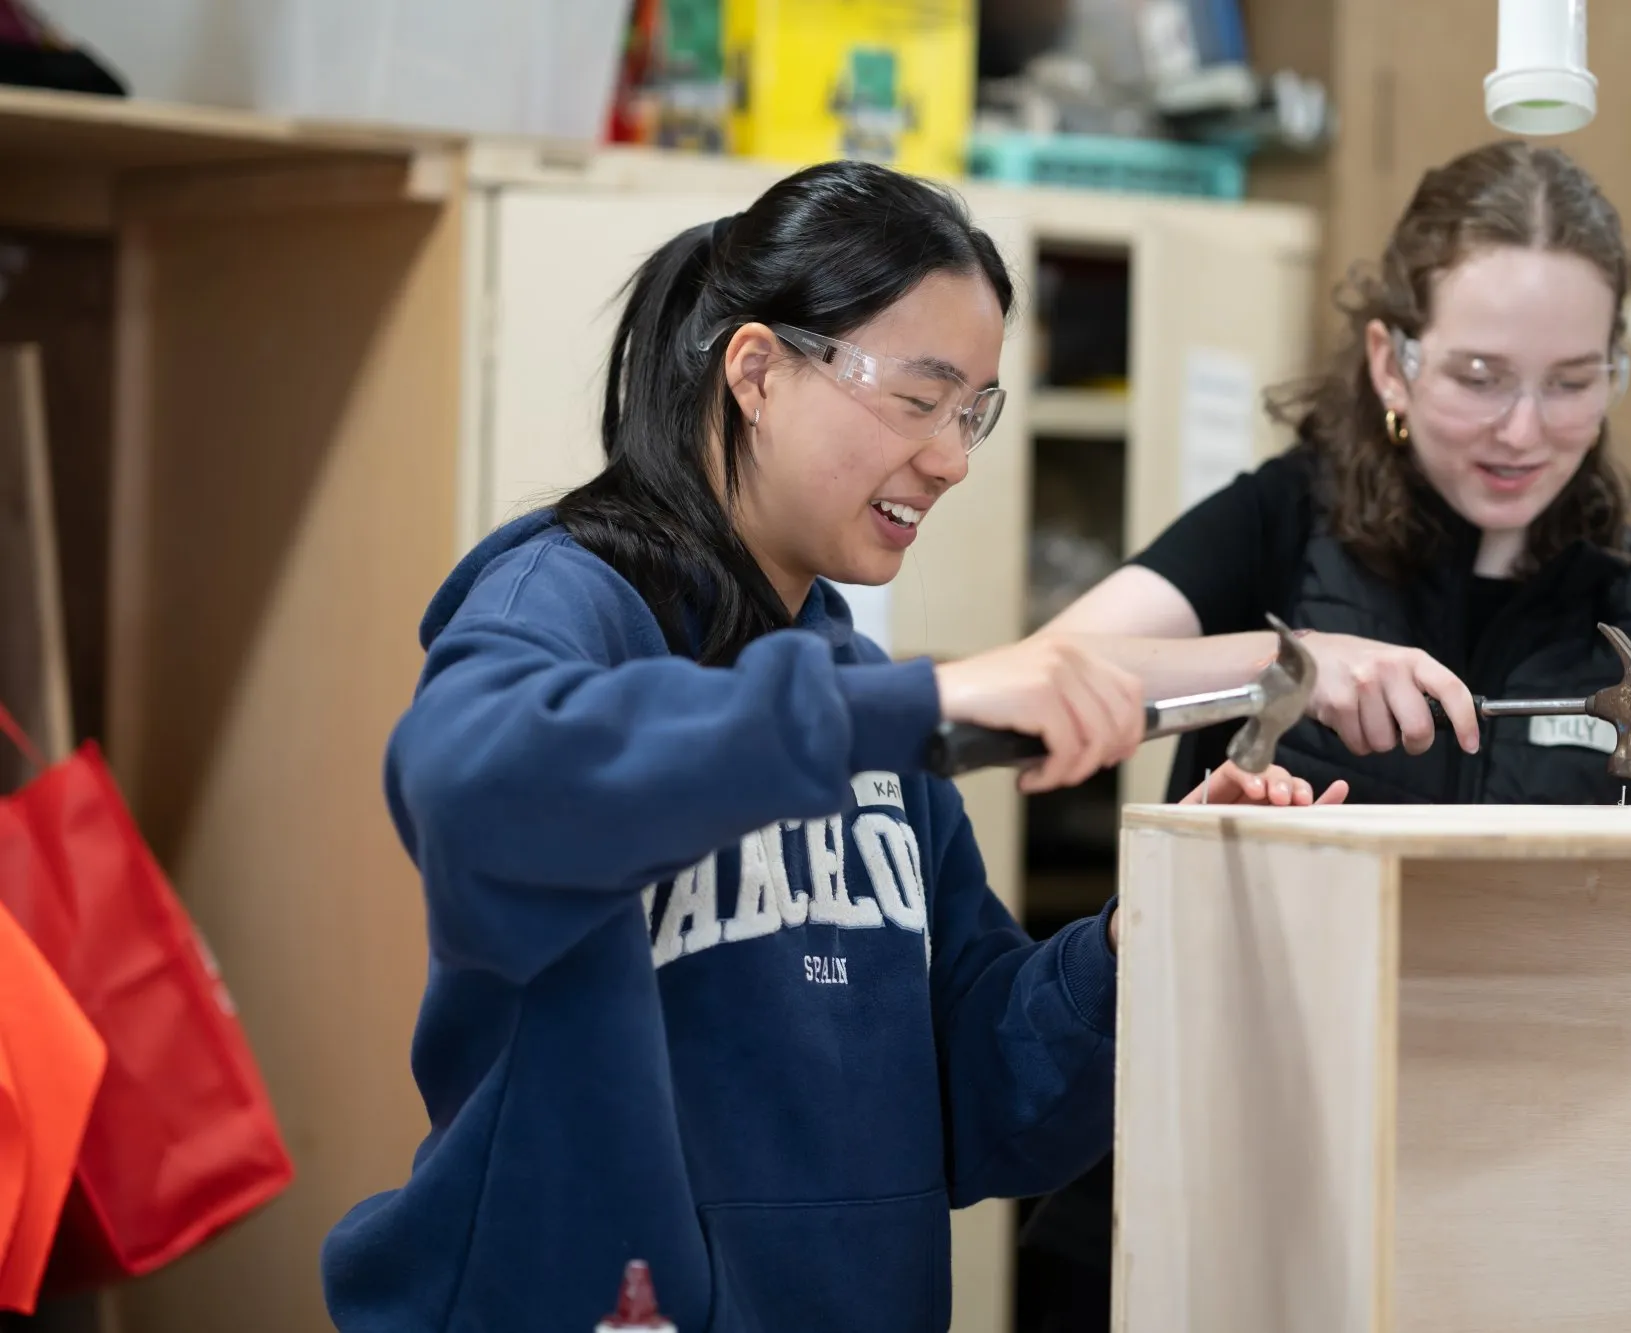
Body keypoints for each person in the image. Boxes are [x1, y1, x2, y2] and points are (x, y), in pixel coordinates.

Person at [1014, 140, 1631, 1329]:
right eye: (1475, 374)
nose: (1524, 428)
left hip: (1488, 1227)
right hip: (1214, 1202)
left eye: (1572, 379)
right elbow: (1039, 679)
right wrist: (1285, 662)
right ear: (1390, 361)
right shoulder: (1277, 524)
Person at [319, 160, 1148, 1333]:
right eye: (918, 399)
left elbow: (977, 1093)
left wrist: (1137, 939)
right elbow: (469, 790)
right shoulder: (563, 599)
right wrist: (908, 707)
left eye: (972, 411)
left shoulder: (859, 698)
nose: (952, 459)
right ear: (756, 372)